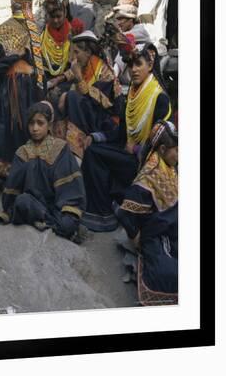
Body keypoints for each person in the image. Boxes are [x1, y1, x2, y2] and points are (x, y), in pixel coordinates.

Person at [80, 42, 172, 232]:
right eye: (130, 65)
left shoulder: (159, 98)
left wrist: (138, 149)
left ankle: (103, 211)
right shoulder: (131, 93)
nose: (134, 70)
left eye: (139, 64)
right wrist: (96, 137)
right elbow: (121, 133)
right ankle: (103, 209)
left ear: (150, 65)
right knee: (92, 148)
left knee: (95, 155)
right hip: (128, 150)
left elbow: (163, 145)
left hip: (145, 161)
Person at [0, 102, 88, 244]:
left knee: (67, 222)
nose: (35, 128)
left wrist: (65, 211)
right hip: (33, 204)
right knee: (22, 202)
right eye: (31, 123)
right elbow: (12, 190)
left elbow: (70, 189)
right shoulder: (22, 152)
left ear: (49, 125)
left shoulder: (60, 148)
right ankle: (51, 224)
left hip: (57, 205)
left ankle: (49, 223)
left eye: (40, 123)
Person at [0, 0, 45, 178]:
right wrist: (42, 88)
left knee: (6, 127)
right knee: (28, 125)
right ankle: (26, 170)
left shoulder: (4, 30)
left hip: (11, 84)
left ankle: (8, 170)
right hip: (30, 84)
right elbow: (40, 65)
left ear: (11, 6)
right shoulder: (34, 30)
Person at [113, 120, 178, 306]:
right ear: (163, 148)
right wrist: (135, 236)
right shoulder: (149, 176)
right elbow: (124, 213)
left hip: (171, 226)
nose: (179, 154)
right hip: (157, 234)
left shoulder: (168, 166)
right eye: (177, 150)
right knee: (171, 273)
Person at [54, 19, 123, 163]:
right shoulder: (85, 64)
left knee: (71, 97)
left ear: (88, 52)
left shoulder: (104, 72)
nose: (73, 57)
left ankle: (76, 152)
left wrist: (78, 80)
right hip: (89, 113)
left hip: (106, 120)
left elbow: (101, 102)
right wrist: (56, 81)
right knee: (59, 96)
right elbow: (70, 74)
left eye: (77, 52)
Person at [107, 4, 151, 91]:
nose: (118, 23)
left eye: (121, 19)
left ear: (130, 20)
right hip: (127, 75)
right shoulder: (125, 32)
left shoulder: (140, 31)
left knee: (126, 47)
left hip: (138, 74)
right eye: (117, 19)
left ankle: (113, 77)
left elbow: (121, 38)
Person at [40, 0, 71, 85]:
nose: (56, 20)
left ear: (65, 13)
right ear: (46, 16)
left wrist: (60, 79)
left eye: (59, 16)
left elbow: (79, 65)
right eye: (52, 17)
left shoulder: (73, 35)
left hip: (67, 80)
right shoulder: (40, 36)